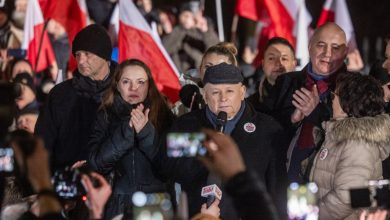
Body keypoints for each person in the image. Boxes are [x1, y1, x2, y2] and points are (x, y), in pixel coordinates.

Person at [156, 63, 286, 219]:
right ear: (204, 95)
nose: (223, 98)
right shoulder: (186, 125)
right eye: (215, 92)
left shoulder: (268, 129)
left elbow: (277, 189)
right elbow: (166, 169)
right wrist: (205, 146)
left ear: (242, 92)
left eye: (230, 91)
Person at [88, 59, 175, 219]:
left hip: (157, 203)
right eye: (126, 81)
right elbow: (96, 163)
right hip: (118, 205)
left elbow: (171, 166)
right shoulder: (105, 115)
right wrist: (126, 132)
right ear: (117, 85)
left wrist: (145, 132)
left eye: (141, 82)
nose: (133, 88)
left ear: (149, 85)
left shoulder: (165, 115)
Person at [268, 22, 349, 183]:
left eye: (335, 47)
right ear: (309, 46)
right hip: (284, 174)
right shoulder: (286, 82)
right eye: (321, 45)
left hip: (329, 180)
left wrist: (315, 112)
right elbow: (268, 128)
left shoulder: (354, 87)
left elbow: (352, 136)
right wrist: (291, 120)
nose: (327, 53)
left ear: (345, 52)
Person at [308, 73, 390, 219]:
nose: (330, 100)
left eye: (334, 96)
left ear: (348, 103)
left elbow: (348, 197)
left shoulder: (358, 144)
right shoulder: (342, 136)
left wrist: (313, 215)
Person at [35, 24, 117, 171]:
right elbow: (42, 144)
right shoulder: (60, 94)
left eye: (87, 54)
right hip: (69, 181)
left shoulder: (127, 90)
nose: (80, 60)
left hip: (119, 184)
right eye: (77, 54)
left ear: (104, 55)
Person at [162, 2, 219, 73]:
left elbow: (216, 52)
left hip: (202, 76)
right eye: (186, 16)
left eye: (192, 15)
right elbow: (165, 49)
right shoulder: (176, 31)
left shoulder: (205, 31)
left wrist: (205, 32)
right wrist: (182, 28)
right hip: (181, 76)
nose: (189, 19)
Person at [248, 37, 297, 115]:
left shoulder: (305, 100)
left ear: (294, 64)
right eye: (271, 58)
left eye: (284, 58)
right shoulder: (249, 106)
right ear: (263, 64)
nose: (278, 63)